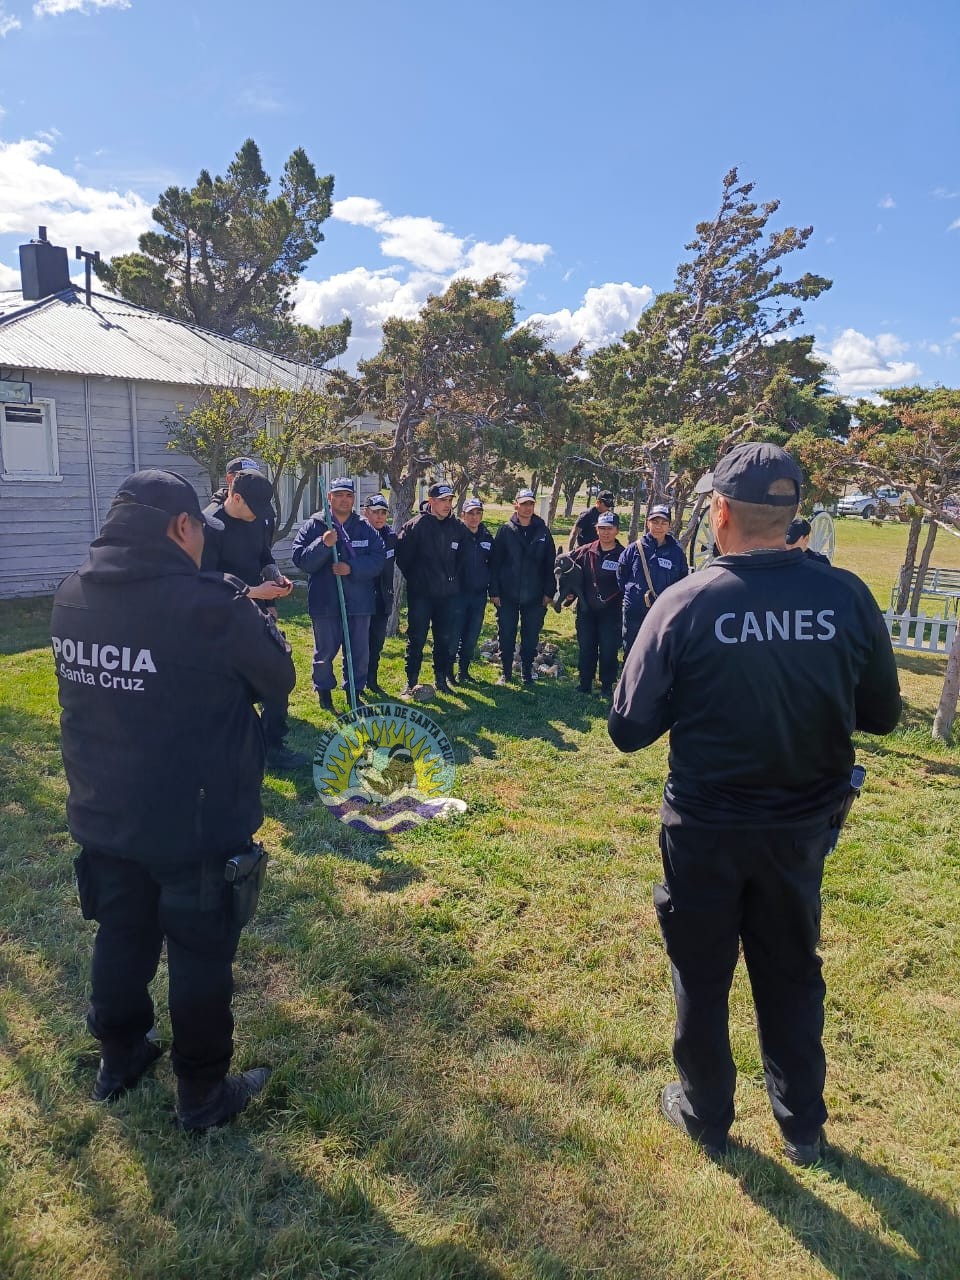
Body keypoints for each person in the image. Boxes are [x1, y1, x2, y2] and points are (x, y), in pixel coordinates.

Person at [608, 442, 901, 1165]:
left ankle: (706, 1113)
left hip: (706, 827)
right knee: (792, 967)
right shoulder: (846, 596)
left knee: (702, 972)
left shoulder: (687, 600)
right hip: (802, 828)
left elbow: (628, 729)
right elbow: (884, 714)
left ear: (721, 512)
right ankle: (802, 1125)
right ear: (793, 513)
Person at [53, 468, 296, 1131]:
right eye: (200, 531)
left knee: (122, 935)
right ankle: (202, 1093)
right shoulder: (210, 606)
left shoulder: (73, 593)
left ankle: (120, 1056)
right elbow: (279, 677)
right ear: (180, 528)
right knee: (199, 953)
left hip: (106, 812)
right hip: (194, 821)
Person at [202, 468, 306, 770]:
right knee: (230, 689)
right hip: (221, 618)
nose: (259, 516)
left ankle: (274, 745)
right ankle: (232, 751)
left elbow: (263, 556)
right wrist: (252, 591)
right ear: (235, 497)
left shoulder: (257, 520)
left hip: (255, 612)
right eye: (254, 509)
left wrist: (275, 576)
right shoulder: (211, 526)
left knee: (277, 674)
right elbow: (204, 581)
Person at [291, 478, 385, 711]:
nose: (344, 500)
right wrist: (323, 544)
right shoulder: (314, 525)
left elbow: (378, 559)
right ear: (330, 497)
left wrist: (352, 568)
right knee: (325, 651)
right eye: (339, 495)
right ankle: (324, 692)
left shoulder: (364, 527)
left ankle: (354, 690)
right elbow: (301, 560)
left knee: (358, 651)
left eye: (349, 495)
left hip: (359, 602)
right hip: (325, 602)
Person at [395, 482, 466, 695]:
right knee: (416, 638)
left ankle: (441, 680)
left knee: (443, 638)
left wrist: (454, 582)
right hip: (421, 595)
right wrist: (418, 580)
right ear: (432, 501)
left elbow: (463, 560)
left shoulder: (457, 528)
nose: (447, 505)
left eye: (450, 500)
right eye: (443, 500)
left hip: (447, 596)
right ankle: (411, 681)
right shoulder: (415, 526)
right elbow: (403, 558)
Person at [489, 488, 556, 686]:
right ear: (515, 505)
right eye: (524, 503)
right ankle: (507, 672)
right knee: (506, 634)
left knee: (530, 636)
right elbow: (495, 563)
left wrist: (548, 592)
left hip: (535, 596)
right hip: (507, 594)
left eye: (531, 504)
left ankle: (527, 672)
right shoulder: (505, 530)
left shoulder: (543, 531)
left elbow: (550, 564)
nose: (527, 508)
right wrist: (494, 591)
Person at [617, 504, 688, 656]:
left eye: (663, 523)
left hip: (663, 610)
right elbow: (621, 575)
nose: (658, 527)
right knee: (631, 648)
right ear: (648, 523)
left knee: (659, 651)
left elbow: (683, 581)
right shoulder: (634, 549)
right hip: (635, 609)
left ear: (670, 525)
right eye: (655, 522)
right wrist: (633, 594)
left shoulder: (676, 553)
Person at [569, 511, 625, 696]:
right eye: (601, 528)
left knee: (609, 650)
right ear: (596, 529)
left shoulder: (623, 555)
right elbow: (568, 570)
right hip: (586, 610)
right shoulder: (585, 550)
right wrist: (569, 594)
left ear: (617, 530)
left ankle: (607, 686)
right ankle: (585, 683)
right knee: (587, 647)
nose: (605, 533)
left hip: (612, 613)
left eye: (609, 529)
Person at [449, 497, 493, 683]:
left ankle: (464, 672)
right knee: (454, 635)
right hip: (458, 595)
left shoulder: (487, 537)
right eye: (470, 514)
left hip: (479, 595)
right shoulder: (456, 535)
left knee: (471, 635)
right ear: (463, 515)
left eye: (478, 513)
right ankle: (447, 673)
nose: (474, 517)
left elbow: (493, 565)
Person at [362, 494, 397, 695]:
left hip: (383, 597)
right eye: (375, 512)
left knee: (376, 642)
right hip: (361, 597)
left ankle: (372, 680)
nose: (380, 517)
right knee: (360, 643)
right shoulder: (359, 535)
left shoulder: (391, 537)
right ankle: (355, 682)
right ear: (366, 512)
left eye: (383, 512)